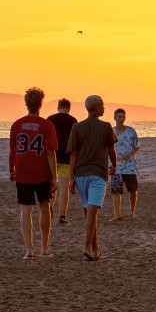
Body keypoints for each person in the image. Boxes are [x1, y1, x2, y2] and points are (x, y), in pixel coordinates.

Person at [66, 95, 117, 261]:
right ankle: (86, 247)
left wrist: (72, 178)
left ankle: (95, 247)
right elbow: (111, 150)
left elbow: (73, 154)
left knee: (89, 213)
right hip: (98, 173)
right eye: (102, 106)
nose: (104, 109)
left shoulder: (77, 127)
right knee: (92, 213)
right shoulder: (106, 127)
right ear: (96, 109)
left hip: (80, 174)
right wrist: (114, 166)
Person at [9, 88, 59, 259]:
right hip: (42, 172)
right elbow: (51, 153)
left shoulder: (17, 124)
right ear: (40, 104)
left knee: (25, 209)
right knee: (44, 206)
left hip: (22, 171)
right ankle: (44, 247)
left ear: (26, 104)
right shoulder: (46, 125)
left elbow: (11, 151)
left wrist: (11, 170)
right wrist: (54, 176)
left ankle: (29, 250)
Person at [46, 99, 77, 226]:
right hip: (66, 158)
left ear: (58, 107)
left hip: (51, 156)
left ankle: (49, 209)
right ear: (69, 108)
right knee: (64, 188)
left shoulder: (50, 119)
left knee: (52, 185)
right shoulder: (73, 121)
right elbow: (76, 142)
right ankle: (62, 216)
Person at [109, 108, 141, 221]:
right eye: (119, 117)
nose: (121, 119)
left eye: (123, 117)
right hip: (116, 167)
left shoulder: (131, 131)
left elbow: (137, 146)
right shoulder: (111, 131)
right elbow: (106, 148)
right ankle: (117, 214)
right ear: (115, 117)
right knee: (116, 190)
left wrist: (130, 155)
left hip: (130, 167)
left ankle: (132, 212)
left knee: (132, 190)